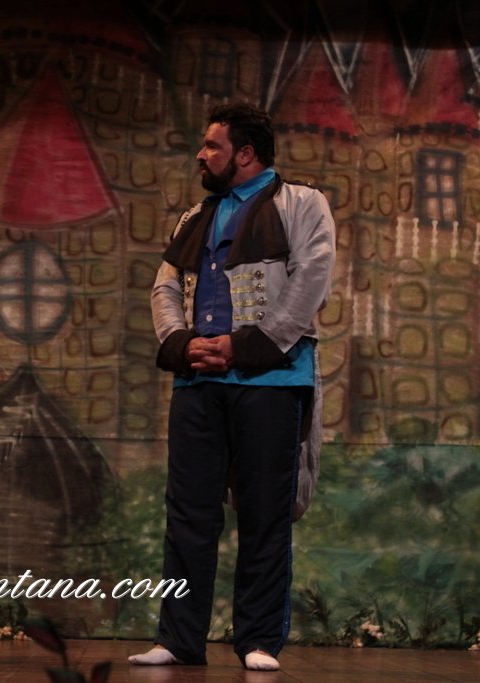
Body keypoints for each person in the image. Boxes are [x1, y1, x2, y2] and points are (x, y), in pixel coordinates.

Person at [129, 103, 334, 671]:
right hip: (200, 381)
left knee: (265, 511)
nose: (201, 155)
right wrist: (181, 343)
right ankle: (179, 638)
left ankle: (259, 640)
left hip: (271, 380)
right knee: (188, 511)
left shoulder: (301, 203)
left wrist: (246, 345)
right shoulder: (196, 216)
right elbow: (165, 286)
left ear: (245, 154)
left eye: (212, 146)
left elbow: (312, 279)